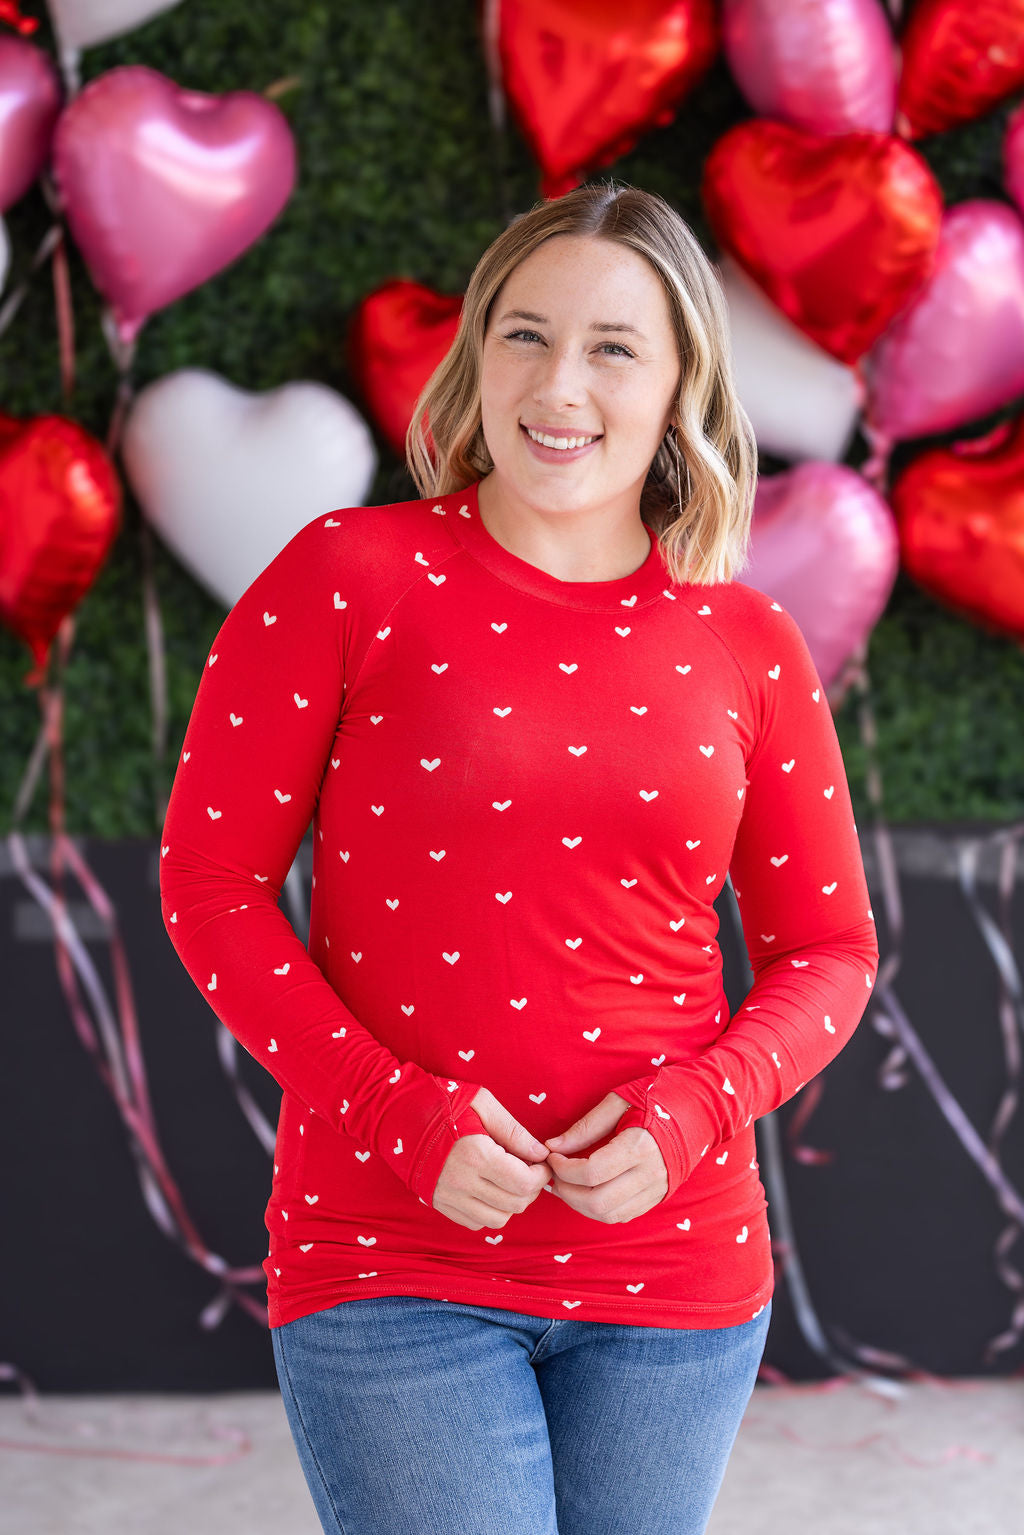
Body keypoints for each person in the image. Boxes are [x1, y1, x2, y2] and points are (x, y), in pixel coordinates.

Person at [159, 180, 879, 1535]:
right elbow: (211, 885)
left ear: (681, 385)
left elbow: (831, 952)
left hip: (676, 1274)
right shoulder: (344, 577)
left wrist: (696, 1110)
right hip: (390, 1255)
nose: (559, 386)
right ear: (477, 352)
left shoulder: (748, 643)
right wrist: (392, 1111)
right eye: (526, 336)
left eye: (614, 348)